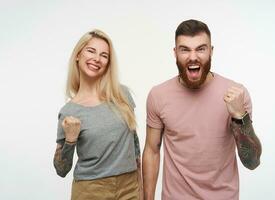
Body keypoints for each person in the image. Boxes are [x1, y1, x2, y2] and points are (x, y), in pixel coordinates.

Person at [142, 19, 262, 200]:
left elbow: (252, 162)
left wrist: (239, 116)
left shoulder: (236, 94)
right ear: (175, 53)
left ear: (211, 51)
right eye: (185, 49)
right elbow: (151, 151)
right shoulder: (158, 95)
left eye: (200, 48)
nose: (193, 57)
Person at [53, 29, 142, 200]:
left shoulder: (121, 94)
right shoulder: (69, 112)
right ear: (78, 55)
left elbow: (135, 146)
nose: (97, 59)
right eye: (91, 51)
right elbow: (61, 169)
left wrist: (142, 188)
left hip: (129, 186)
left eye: (104, 55)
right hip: (91, 190)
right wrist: (70, 140)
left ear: (108, 63)